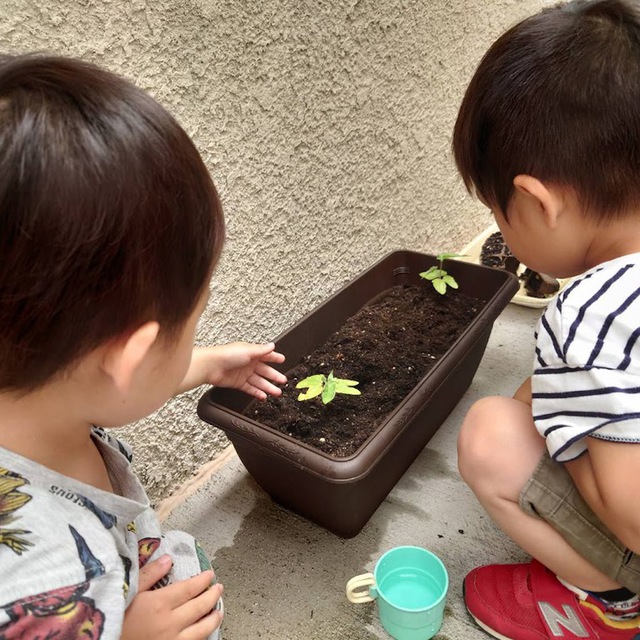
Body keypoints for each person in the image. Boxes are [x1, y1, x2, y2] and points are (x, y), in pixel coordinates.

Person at [0, 53, 287, 640]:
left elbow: (100, 387)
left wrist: (203, 365)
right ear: (128, 361)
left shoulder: (34, 398)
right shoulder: (39, 581)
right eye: (191, 329)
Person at [452, 1, 640, 639]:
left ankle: (612, 608)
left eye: (500, 213)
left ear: (538, 202)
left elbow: (634, 516)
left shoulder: (590, 311)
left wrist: (566, 433)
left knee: (490, 435)